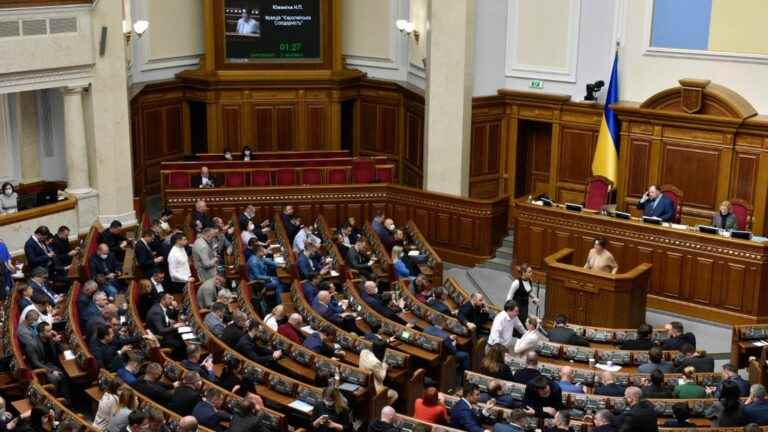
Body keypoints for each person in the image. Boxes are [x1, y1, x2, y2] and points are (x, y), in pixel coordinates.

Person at [424, 314, 470, 381]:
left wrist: (449, 339)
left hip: (431, 352)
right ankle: (463, 379)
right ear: (442, 324)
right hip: (444, 357)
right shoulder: (445, 337)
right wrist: (454, 343)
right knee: (466, 355)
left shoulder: (426, 329)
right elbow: (454, 351)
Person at [146, 293, 186, 358]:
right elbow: (161, 330)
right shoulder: (156, 312)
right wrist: (174, 326)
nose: (172, 300)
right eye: (169, 298)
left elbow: (170, 315)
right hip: (160, 337)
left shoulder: (161, 307)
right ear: (163, 300)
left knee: (181, 335)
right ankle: (179, 359)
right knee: (181, 344)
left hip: (165, 332)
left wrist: (176, 308)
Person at [359, 338, 398, 405]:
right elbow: (381, 377)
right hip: (375, 388)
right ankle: (381, 408)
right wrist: (385, 366)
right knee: (395, 394)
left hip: (364, 382)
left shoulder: (363, 353)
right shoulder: (375, 362)